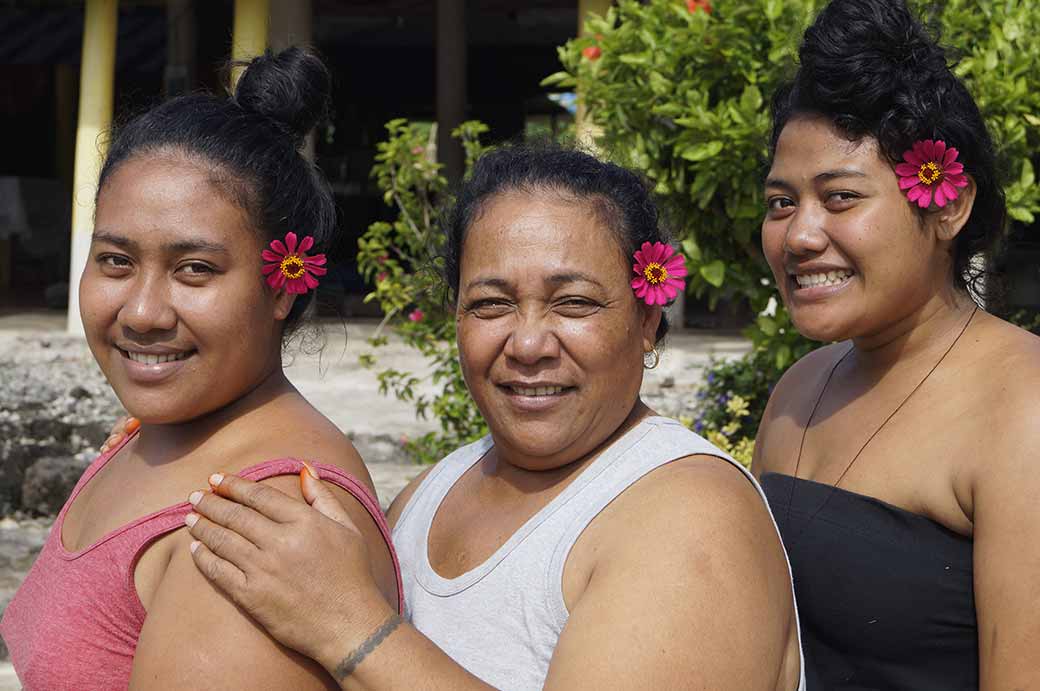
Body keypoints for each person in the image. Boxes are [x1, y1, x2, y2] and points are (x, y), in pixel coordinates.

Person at [139, 145, 808, 690]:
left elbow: (340, 618)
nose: (528, 343)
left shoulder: (689, 514)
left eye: (574, 303)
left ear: (646, 322)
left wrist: (353, 628)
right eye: (491, 304)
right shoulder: (428, 495)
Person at [0, 47, 401, 690]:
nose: (142, 312)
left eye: (195, 270)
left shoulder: (258, 526)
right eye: (116, 261)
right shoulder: (151, 435)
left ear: (283, 286)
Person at [751, 1, 1040, 689]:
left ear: (948, 205)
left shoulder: (1023, 411)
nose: (799, 235)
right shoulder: (798, 390)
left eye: (840, 197)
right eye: (782, 202)